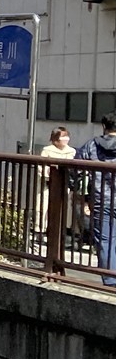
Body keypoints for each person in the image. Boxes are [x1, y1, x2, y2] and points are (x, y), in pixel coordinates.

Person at [74, 116, 116, 272]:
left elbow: (75, 171)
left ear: (104, 126)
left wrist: (84, 198)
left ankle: (111, 283)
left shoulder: (91, 145)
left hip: (100, 199)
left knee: (105, 242)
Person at [40, 127, 76, 250]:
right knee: (46, 208)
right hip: (49, 184)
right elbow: (42, 167)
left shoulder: (72, 151)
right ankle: (44, 231)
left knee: (65, 210)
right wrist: (47, 175)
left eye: (67, 136)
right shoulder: (47, 150)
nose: (65, 139)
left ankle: (65, 233)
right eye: (62, 137)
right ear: (55, 139)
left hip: (66, 184)